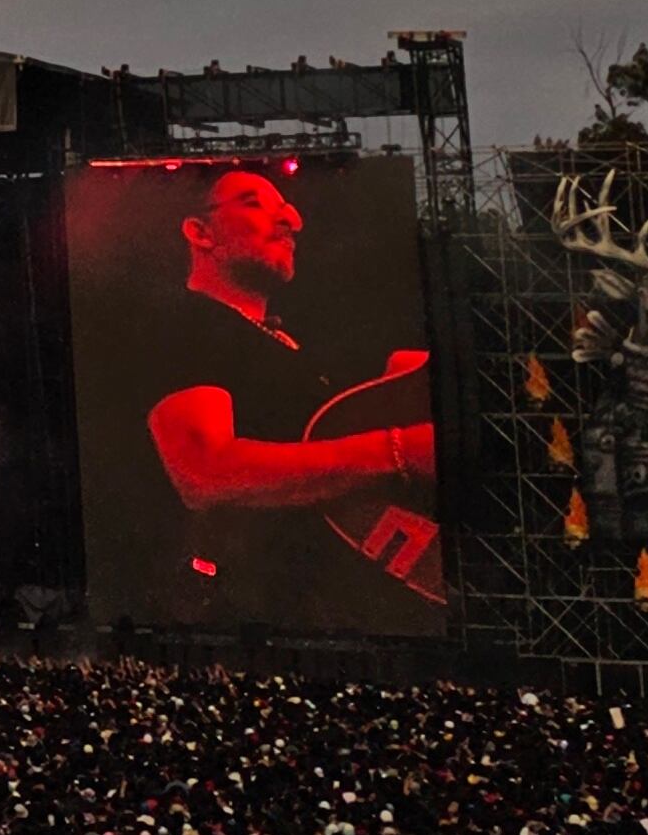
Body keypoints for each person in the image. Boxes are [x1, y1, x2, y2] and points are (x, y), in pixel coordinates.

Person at [114, 167, 438, 627]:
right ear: (199, 232)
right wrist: (399, 450)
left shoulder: (286, 340)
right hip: (264, 615)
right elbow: (204, 472)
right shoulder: (182, 324)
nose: (293, 219)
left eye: (285, 208)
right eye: (253, 203)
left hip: (331, 609)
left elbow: (400, 372)